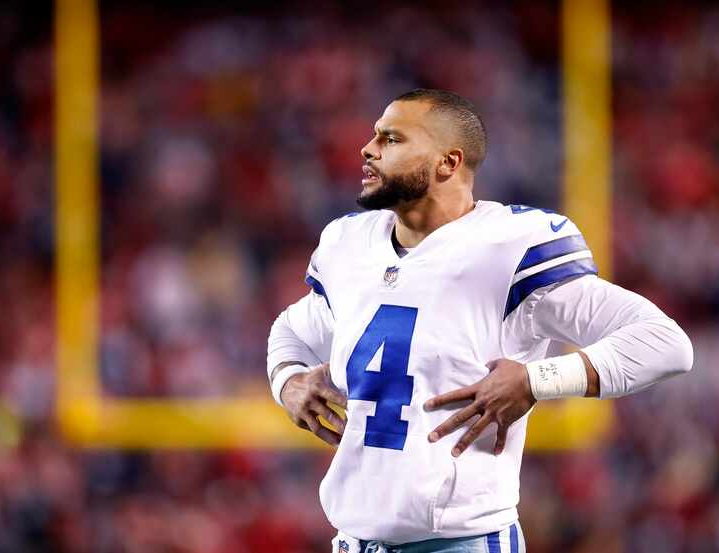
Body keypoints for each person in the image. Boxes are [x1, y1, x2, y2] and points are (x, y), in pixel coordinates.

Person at [266, 89, 693, 553]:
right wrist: (289, 381)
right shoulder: (349, 244)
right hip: (353, 542)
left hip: (461, 542)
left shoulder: (510, 246)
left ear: (448, 163)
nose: (368, 149)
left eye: (391, 139)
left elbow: (665, 342)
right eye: (374, 136)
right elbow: (291, 329)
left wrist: (536, 379)